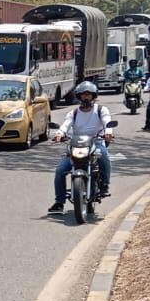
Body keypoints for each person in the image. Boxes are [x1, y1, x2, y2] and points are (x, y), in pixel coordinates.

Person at [48, 82, 114, 213]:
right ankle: (59, 202)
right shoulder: (73, 113)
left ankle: (105, 184)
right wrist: (59, 134)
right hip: (76, 145)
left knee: (104, 157)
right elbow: (65, 125)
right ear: (79, 96)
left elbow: (107, 121)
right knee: (60, 170)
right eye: (83, 94)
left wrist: (108, 132)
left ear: (93, 96)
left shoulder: (101, 110)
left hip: (96, 142)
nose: (86, 97)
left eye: (88, 94)